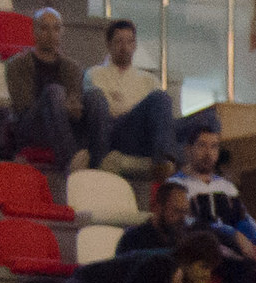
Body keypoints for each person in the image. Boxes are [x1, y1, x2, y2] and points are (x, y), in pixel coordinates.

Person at [87, 17, 218, 179]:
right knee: (159, 98)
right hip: (121, 133)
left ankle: (189, 164)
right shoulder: (96, 74)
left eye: (130, 42)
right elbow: (106, 113)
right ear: (109, 44)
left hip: (151, 135)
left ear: (135, 45)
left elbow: (164, 118)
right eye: (119, 42)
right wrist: (142, 111)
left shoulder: (148, 79)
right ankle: (167, 160)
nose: (125, 47)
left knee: (209, 117)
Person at [7, 9, 99, 173]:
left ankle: (100, 164)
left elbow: (75, 102)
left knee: (95, 95)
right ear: (34, 31)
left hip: (65, 122)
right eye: (44, 28)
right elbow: (23, 107)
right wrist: (60, 104)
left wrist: (70, 107)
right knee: (54, 92)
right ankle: (71, 161)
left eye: (56, 29)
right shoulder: (17, 65)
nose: (51, 34)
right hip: (32, 126)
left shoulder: (72, 67)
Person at [170, 127, 256, 268]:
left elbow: (243, 219)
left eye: (213, 147)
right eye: (202, 146)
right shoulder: (176, 185)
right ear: (188, 150)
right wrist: (231, 234)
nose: (208, 153)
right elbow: (189, 223)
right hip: (203, 250)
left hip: (235, 250)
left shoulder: (226, 187)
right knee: (240, 273)